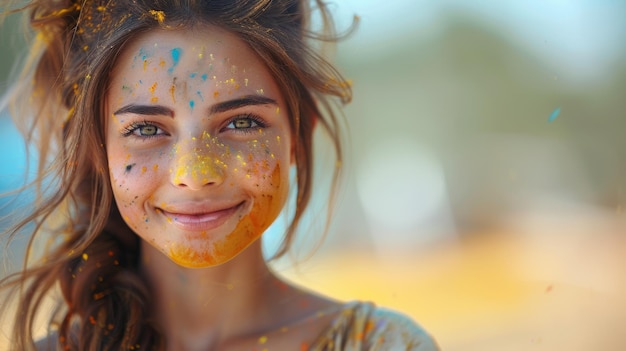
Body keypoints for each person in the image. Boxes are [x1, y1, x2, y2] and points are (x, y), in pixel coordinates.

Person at [0, 0, 439, 350]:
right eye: (147, 129)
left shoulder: (382, 345)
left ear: (299, 136)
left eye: (242, 122)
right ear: (96, 151)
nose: (195, 174)